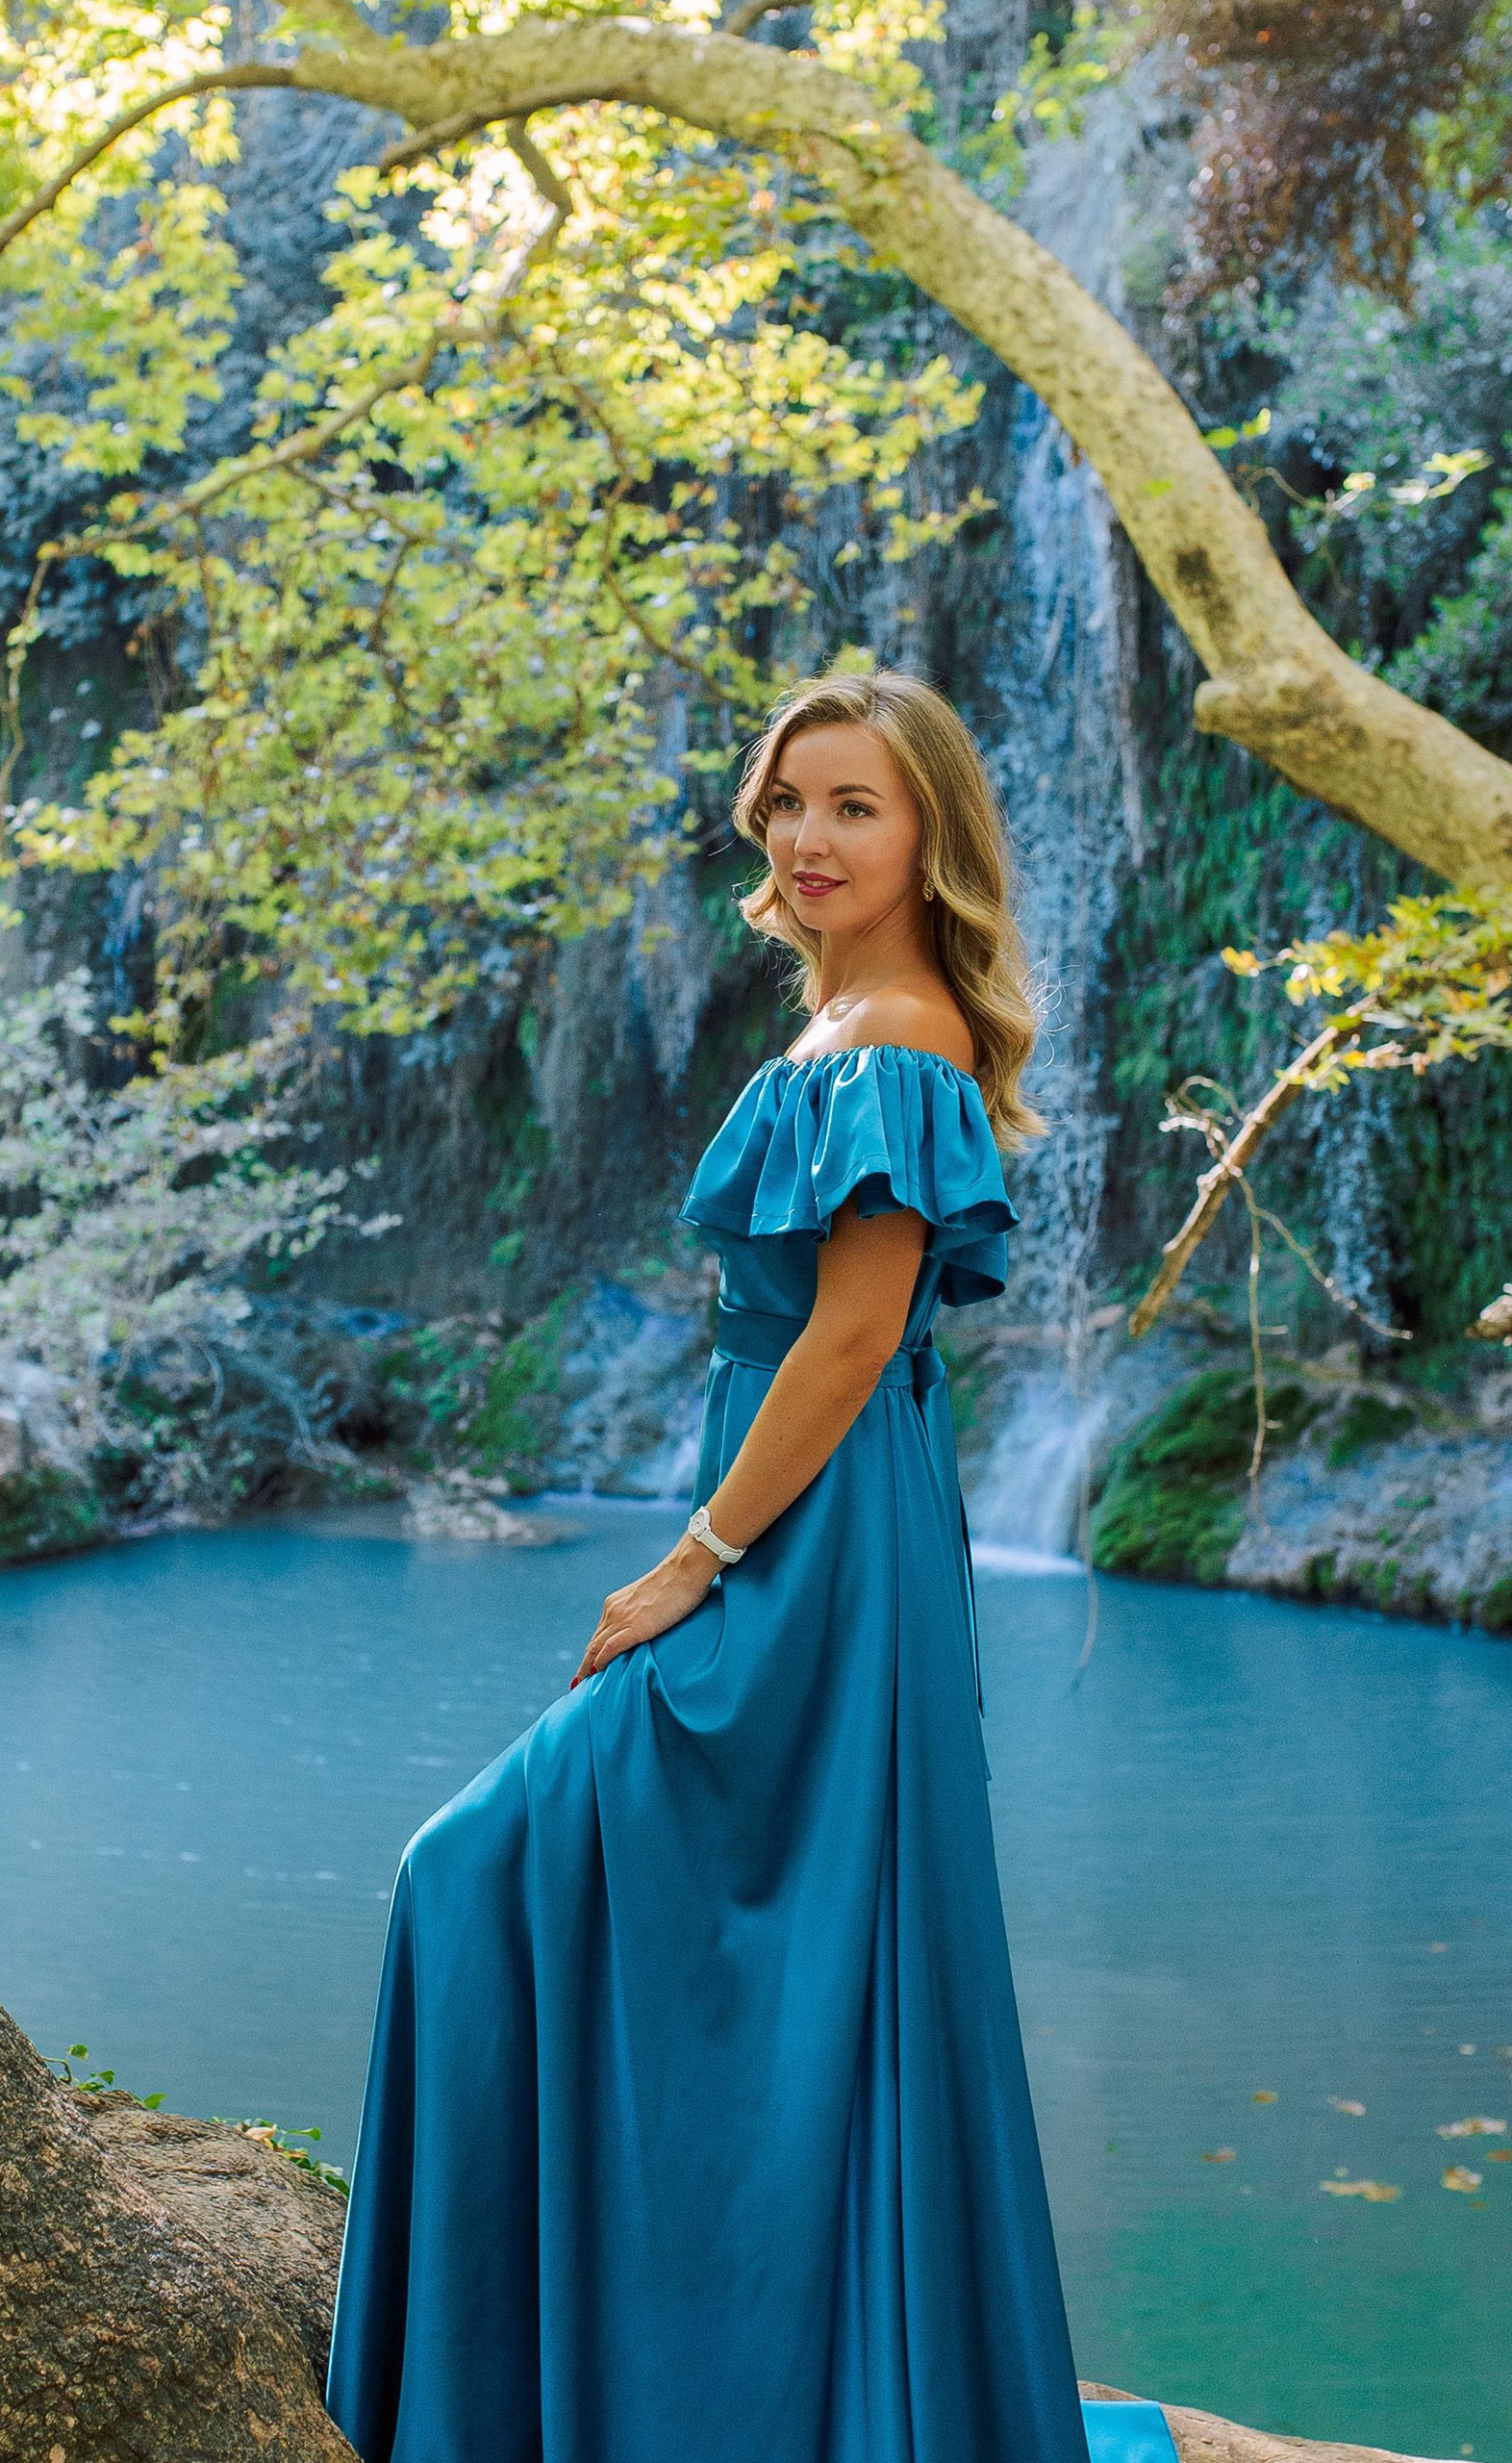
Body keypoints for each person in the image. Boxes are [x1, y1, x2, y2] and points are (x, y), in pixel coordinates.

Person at [325, 670, 1178, 2463]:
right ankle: (670, 2380)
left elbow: (857, 1339)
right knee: (714, 1945)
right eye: (789, 801)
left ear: (928, 827)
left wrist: (688, 1566)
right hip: (808, 1522)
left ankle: (560, 2389)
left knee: (481, 1869)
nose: (806, 836)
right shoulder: (845, 1016)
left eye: (853, 804)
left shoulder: (900, 1038)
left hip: (808, 1550)